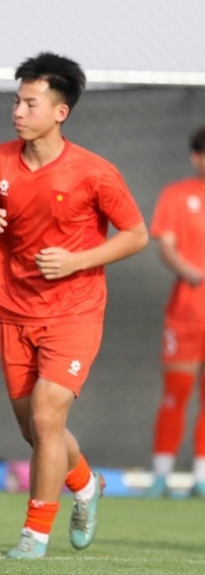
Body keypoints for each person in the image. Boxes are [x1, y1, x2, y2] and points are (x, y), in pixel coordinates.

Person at [0, 51, 148, 559]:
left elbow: (136, 234)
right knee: (36, 430)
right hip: (13, 311)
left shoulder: (95, 172)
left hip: (74, 312)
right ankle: (86, 483)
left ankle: (34, 535)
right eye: (16, 101)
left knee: (46, 419)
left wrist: (77, 261)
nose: (18, 112)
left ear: (60, 112)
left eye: (30, 103)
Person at [145, 125, 205, 498]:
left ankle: (202, 475)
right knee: (175, 393)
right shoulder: (176, 195)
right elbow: (166, 245)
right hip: (186, 312)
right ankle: (161, 474)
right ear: (196, 157)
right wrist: (189, 271)